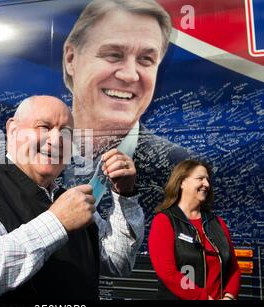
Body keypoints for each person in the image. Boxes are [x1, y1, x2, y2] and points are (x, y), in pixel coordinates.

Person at [0, 95, 144, 300]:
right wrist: (56, 223)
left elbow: (118, 263)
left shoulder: (69, 200)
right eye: (44, 127)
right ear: (13, 130)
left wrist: (124, 195)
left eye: (66, 132)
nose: (56, 139)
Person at [61, 0, 191, 223]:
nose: (130, 75)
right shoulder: (36, 157)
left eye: (146, 59)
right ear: (71, 59)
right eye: (113, 54)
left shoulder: (180, 167)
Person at [148, 160, 241, 300]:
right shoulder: (164, 221)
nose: (207, 184)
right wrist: (203, 298)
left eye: (208, 180)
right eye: (200, 179)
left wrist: (229, 297)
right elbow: (168, 273)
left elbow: (233, 269)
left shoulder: (218, 223)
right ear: (182, 183)